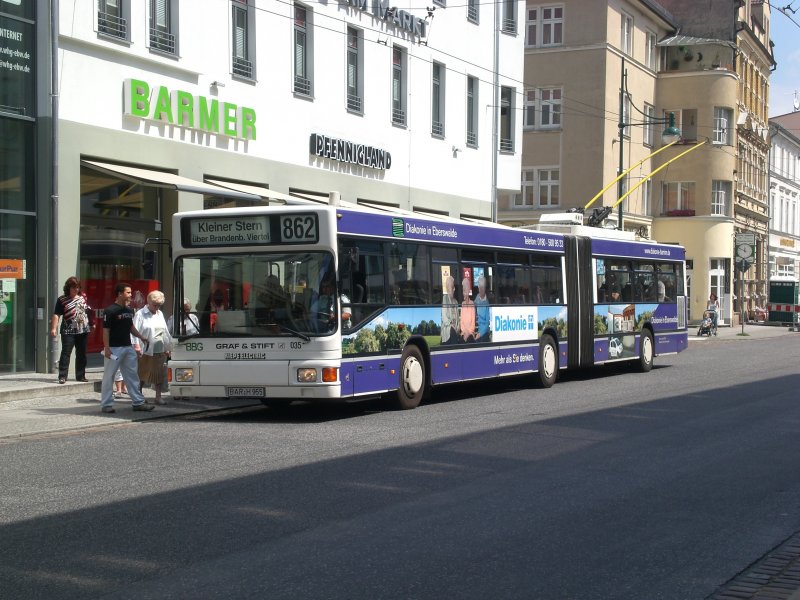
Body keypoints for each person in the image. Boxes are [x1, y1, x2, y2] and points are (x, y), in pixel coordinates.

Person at [99, 283, 153, 413]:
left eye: (130, 292)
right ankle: (106, 404)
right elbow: (106, 330)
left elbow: (131, 327)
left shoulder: (129, 310)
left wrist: (142, 337)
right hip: (114, 348)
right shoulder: (110, 310)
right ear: (119, 294)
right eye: (128, 292)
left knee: (132, 375)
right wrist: (107, 347)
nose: (130, 295)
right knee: (109, 376)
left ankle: (138, 402)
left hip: (128, 347)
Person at [50, 276, 94, 384]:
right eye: (73, 287)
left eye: (78, 287)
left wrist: (92, 323)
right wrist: (53, 328)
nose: (76, 290)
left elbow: (87, 311)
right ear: (68, 288)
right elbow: (56, 314)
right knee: (66, 353)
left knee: (81, 353)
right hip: (68, 330)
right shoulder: (62, 300)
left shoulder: (83, 297)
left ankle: (81, 375)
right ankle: (62, 376)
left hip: (83, 330)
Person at [133, 290, 173, 405]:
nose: (157, 307)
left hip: (159, 347)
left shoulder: (160, 314)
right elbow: (134, 331)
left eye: (159, 305)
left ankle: (158, 396)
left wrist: (168, 346)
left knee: (159, 373)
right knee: (143, 373)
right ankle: (139, 395)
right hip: (145, 348)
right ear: (149, 302)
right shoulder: (140, 314)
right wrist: (136, 345)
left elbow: (164, 331)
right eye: (155, 305)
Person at [440, 275, 459, 344]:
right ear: (447, 288)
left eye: (453, 287)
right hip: (447, 328)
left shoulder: (455, 302)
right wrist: (451, 325)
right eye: (452, 287)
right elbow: (444, 317)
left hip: (455, 329)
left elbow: (458, 320)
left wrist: (457, 328)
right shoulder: (445, 299)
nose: (454, 289)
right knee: (452, 331)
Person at [459, 276, 476, 343]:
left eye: (465, 290)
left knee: (469, 340)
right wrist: (465, 332)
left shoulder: (472, 303)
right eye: (463, 290)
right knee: (461, 341)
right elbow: (462, 321)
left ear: (468, 291)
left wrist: (468, 332)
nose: (464, 293)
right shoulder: (462, 304)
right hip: (463, 332)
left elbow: (473, 323)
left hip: (470, 332)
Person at [474, 276, 491, 341]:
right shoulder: (477, 297)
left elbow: (487, 324)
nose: (480, 290)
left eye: (482, 288)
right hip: (477, 329)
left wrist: (480, 334)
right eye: (479, 288)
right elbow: (473, 307)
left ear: (484, 288)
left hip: (484, 331)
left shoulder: (487, 302)